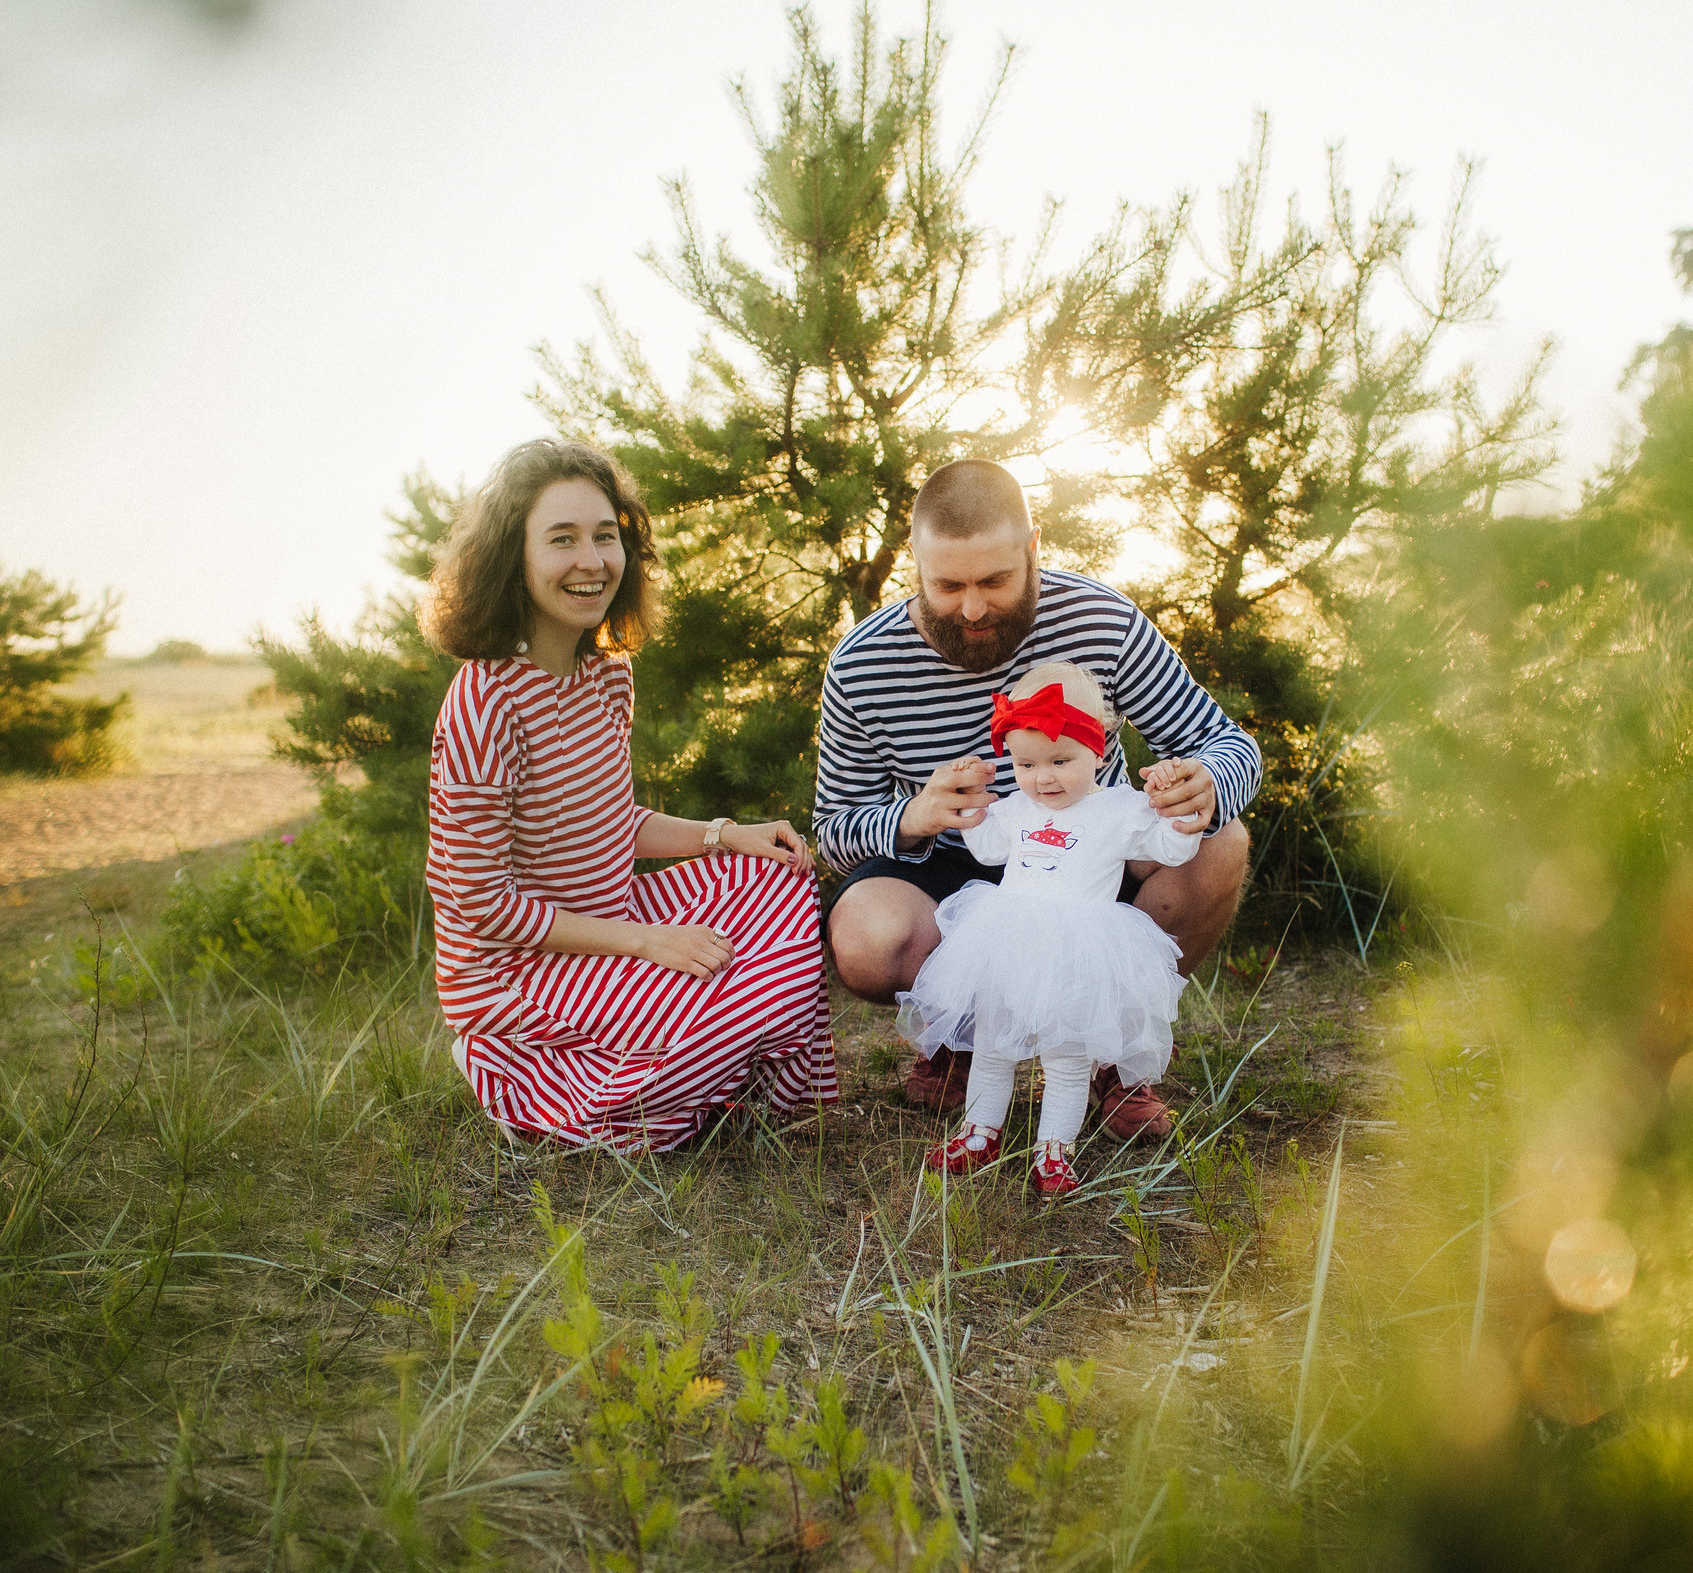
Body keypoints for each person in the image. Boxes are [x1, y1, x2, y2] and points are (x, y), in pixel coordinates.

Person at [818, 458, 1259, 1138]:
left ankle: (1112, 1057)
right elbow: (833, 828)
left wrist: (1209, 783)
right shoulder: (861, 663)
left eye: (994, 580)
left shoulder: (1102, 619)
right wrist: (916, 814)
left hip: (1089, 861)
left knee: (1222, 842)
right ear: (915, 563)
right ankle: (960, 1038)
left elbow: (1225, 741)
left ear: (1033, 549)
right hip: (951, 863)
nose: (971, 607)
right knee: (865, 933)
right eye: (948, 584)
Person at [422, 439, 835, 1151]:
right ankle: (513, 1071)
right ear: (511, 556)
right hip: (515, 967)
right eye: (562, 539)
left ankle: (734, 1084)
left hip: (608, 917)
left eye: (606, 536)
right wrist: (647, 943)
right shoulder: (483, 703)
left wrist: (725, 834)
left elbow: (611, 823)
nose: (592, 560)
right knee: (709, 1016)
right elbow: (483, 908)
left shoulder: (609, 677)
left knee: (782, 879)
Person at [896, 662, 1201, 1194]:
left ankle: (1054, 1150)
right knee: (993, 1045)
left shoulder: (1121, 809)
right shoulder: (1016, 808)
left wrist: (1173, 808)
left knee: (1066, 1058)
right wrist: (970, 802)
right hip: (1010, 944)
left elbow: (1170, 848)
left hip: (1080, 953)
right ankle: (979, 1132)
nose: (1044, 777)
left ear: (1097, 751)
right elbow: (988, 848)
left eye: (1062, 760)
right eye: (1027, 763)